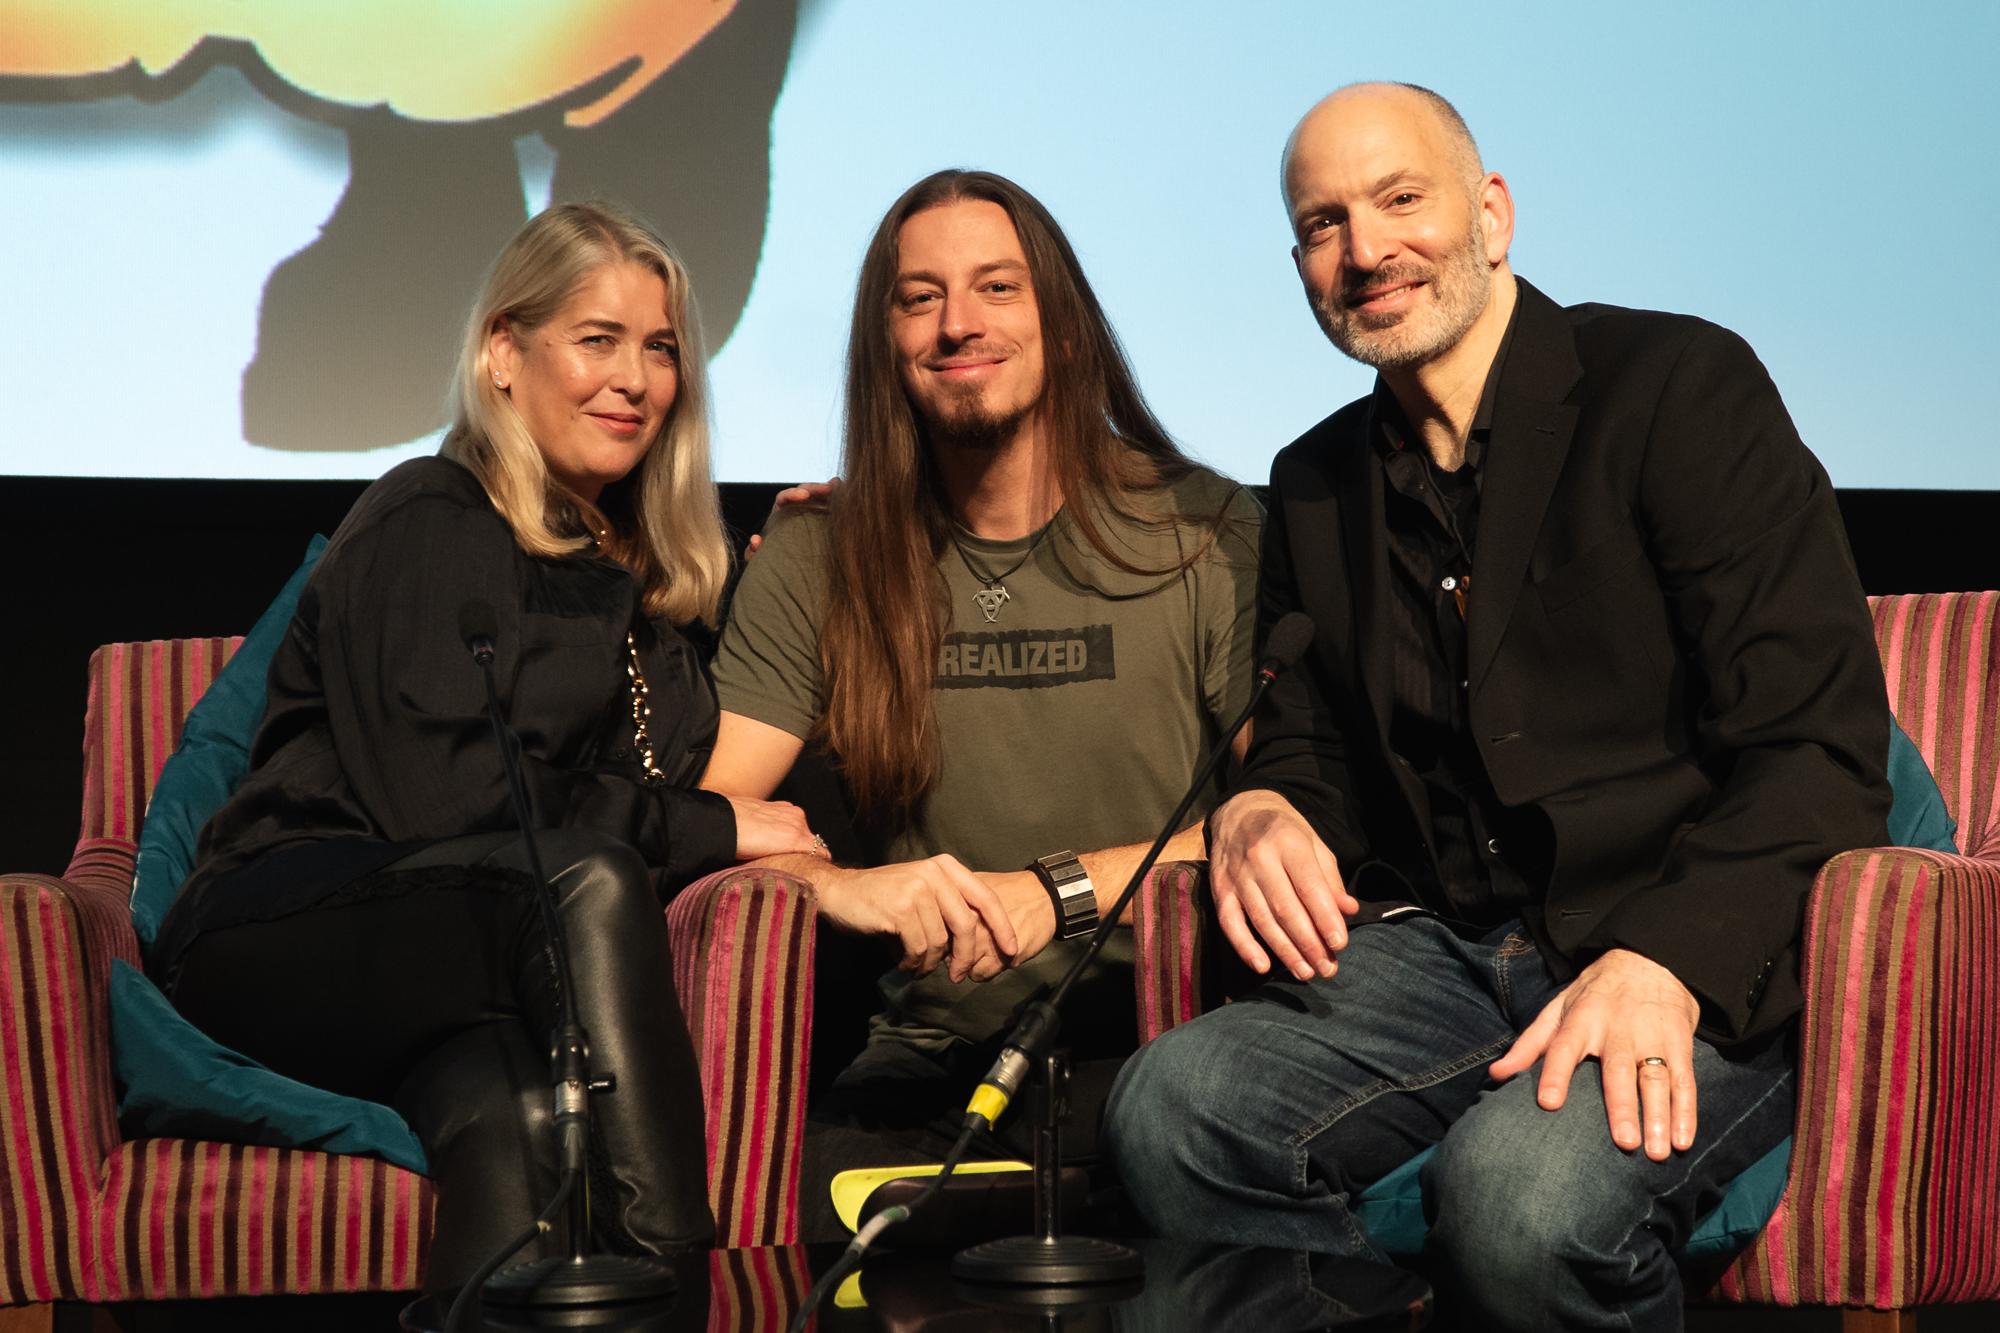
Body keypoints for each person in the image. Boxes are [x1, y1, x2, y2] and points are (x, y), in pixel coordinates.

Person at [1104, 84, 1893, 1330]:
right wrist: (1258, 804)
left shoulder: (1672, 386)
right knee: (1168, 1113)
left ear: (1491, 213)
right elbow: (1308, 736)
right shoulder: (1313, 481)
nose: (1363, 251)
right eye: (1321, 223)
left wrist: (1665, 958)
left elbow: (1816, 741)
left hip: (1680, 938)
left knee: (1517, 1200)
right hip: (1450, 957)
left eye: (1398, 199)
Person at [150, 201, 822, 1288]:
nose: (636, 379)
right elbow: (455, 799)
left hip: (459, 976)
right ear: (503, 352)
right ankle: (679, 1283)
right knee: (588, 883)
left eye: (659, 350)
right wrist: (709, 828)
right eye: (595, 340)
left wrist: (808, 570)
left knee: (516, 1117)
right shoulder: (432, 513)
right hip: (278, 931)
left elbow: (681, 772)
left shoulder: (631, 591)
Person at [700, 169, 1262, 1238]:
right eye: (919, 297)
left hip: (1162, 1049)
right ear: (886, 340)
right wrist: (842, 887)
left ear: (1060, 319)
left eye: (996, 287)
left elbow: (1289, 819)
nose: (958, 323)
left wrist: (1055, 889)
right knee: (783, 1247)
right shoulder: (820, 552)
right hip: (920, 1070)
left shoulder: (1202, 528)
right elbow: (709, 821)